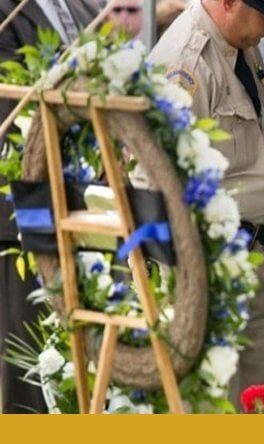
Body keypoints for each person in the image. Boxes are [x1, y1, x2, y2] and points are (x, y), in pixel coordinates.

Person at [148, 0, 264, 412]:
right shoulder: (187, 62)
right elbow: (156, 178)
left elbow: (246, 161)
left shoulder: (238, 46)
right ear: (229, 2)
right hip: (202, 265)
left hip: (244, 256)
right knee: (216, 404)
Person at [0, 0, 99, 413]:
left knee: (74, 366)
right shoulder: (7, 14)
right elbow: (13, 111)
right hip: (25, 211)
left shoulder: (82, 8)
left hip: (79, 208)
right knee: (29, 365)